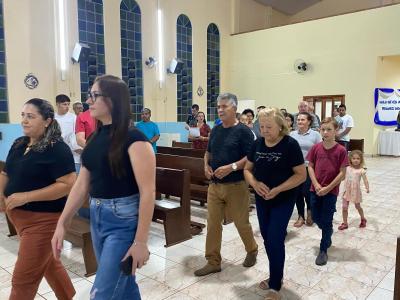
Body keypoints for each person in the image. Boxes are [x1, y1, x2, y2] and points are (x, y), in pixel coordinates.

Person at [52, 75, 155, 299]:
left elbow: (148, 193)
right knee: (124, 286)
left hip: (123, 222)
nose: (88, 100)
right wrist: (63, 221)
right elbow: (81, 185)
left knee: (102, 293)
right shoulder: (96, 137)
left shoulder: (135, 140)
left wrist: (141, 242)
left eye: (94, 95)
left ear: (113, 100)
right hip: (97, 218)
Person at [0, 98, 76, 300]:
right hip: (19, 219)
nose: (24, 120)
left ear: (47, 121)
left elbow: (67, 185)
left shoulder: (57, 148)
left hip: (44, 221)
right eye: (23, 115)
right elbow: (6, 173)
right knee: (49, 263)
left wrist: (26, 197)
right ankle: (68, 296)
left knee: (23, 280)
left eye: (31, 116)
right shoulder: (19, 143)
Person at [244, 108, 306, 300]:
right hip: (263, 199)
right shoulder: (257, 144)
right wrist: (254, 183)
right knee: (266, 237)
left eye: (269, 127)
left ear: (281, 126)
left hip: (283, 199)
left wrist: (279, 189)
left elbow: (301, 175)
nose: (264, 130)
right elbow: (247, 169)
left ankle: (275, 285)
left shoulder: (290, 145)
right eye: (261, 126)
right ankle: (274, 276)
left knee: (275, 238)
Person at [194, 93, 258, 277]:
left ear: (234, 108)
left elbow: (251, 158)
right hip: (214, 185)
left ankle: (252, 249)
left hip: (236, 185)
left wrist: (232, 167)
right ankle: (213, 261)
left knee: (241, 223)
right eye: (218, 106)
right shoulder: (216, 130)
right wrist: (205, 165)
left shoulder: (244, 132)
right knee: (213, 224)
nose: (220, 110)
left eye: (224, 106)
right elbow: (208, 152)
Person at [307, 117, 348, 266]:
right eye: (323, 129)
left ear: (336, 131)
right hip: (315, 189)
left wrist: (328, 188)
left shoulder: (341, 150)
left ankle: (323, 249)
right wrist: (316, 184)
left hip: (330, 192)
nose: (325, 132)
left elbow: (342, 173)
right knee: (316, 217)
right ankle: (328, 231)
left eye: (329, 129)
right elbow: (310, 166)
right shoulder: (316, 148)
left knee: (327, 218)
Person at [290, 112, 322, 227]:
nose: (299, 122)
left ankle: (310, 212)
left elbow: (320, 151)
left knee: (307, 192)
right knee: (297, 192)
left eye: (302, 120)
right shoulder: (292, 134)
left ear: (309, 121)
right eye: (298, 120)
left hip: (309, 167)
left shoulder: (315, 135)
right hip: (295, 168)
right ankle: (300, 216)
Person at [338, 150, 369, 230]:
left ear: (361, 160)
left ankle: (363, 218)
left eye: (358, 158)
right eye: (354, 158)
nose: (355, 160)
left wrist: (367, 187)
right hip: (346, 191)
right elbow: (342, 177)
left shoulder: (361, 170)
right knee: (344, 207)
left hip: (356, 192)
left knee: (357, 206)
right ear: (350, 159)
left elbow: (365, 180)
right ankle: (345, 223)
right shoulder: (347, 168)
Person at [55, 94, 82, 172]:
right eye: (64, 104)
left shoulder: (73, 117)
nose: (67, 107)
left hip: (74, 154)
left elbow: (76, 134)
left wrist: (77, 148)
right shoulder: (53, 118)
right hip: (58, 153)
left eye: (68, 104)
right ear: (57, 104)